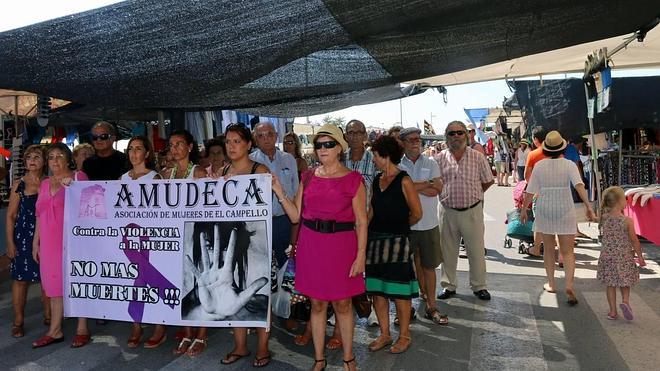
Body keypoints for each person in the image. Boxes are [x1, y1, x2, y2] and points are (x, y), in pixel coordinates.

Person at [274, 123, 367, 371]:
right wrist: (278, 190)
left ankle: (349, 358)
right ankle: (319, 359)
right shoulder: (308, 177)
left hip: (342, 246)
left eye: (328, 144)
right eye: (318, 145)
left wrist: (360, 256)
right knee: (316, 304)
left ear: (339, 148)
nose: (322, 149)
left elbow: (362, 221)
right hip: (312, 245)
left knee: (343, 304)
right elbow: (295, 216)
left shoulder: (353, 180)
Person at [520, 131, 596, 305]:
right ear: (562, 147)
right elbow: (579, 185)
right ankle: (569, 285)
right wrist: (588, 206)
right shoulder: (569, 165)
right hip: (565, 208)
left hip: (545, 207)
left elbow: (530, 190)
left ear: (546, 149)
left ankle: (552, 284)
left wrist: (524, 209)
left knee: (548, 249)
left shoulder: (539, 166)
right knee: (567, 252)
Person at [220, 124, 273, 368]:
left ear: (248, 144)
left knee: (261, 293)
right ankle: (240, 345)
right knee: (235, 289)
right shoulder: (222, 171)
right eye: (228, 142)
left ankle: (263, 347)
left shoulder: (259, 170)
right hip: (233, 243)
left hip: (259, 243)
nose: (231, 146)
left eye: (236, 141)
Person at [365, 135, 422, 354]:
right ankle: (385, 334)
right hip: (375, 243)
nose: (373, 160)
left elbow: (417, 214)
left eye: (376, 156)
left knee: (399, 292)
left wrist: (397, 227)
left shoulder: (404, 180)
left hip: (398, 244)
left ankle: (404, 336)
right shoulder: (376, 180)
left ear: (386, 156)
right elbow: (371, 212)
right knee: (377, 291)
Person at [32, 143, 89, 348]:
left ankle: (82, 327)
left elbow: (90, 209)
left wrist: (73, 188)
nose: (55, 161)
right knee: (54, 286)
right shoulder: (45, 183)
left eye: (59, 156)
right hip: (48, 241)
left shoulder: (78, 177)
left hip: (72, 241)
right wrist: (35, 242)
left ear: (67, 159)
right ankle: (55, 330)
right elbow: (39, 214)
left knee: (77, 280)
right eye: (51, 157)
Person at [435, 121, 494, 301]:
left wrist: (475, 194)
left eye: (460, 133)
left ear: (466, 136)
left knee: (476, 251)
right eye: (452, 133)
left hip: (472, 210)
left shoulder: (477, 157)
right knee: (447, 251)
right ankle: (449, 285)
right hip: (447, 211)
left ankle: (479, 286)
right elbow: (434, 183)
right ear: (446, 137)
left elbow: (488, 180)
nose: (456, 136)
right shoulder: (438, 159)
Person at [160, 130, 207, 356]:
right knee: (180, 285)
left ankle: (202, 334)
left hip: (194, 235)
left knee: (198, 283)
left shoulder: (198, 173)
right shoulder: (165, 174)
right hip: (173, 237)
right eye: (172, 145)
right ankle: (187, 331)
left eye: (180, 144)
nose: (175, 148)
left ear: (190, 147)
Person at [120, 136, 167, 348]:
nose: (134, 152)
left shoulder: (154, 178)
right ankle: (138, 322)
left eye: (138, 148)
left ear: (147, 153)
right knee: (138, 277)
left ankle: (154, 324)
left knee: (143, 276)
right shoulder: (123, 178)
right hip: (129, 234)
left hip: (148, 234)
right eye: (131, 149)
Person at [398, 128, 448, 325]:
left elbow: (437, 189)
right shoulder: (397, 165)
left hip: (428, 224)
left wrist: (410, 185)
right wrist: (426, 184)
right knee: (403, 269)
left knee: (429, 267)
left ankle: (431, 305)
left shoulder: (431, 162)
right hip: (405, 225)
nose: (415, 143)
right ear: (402, 143)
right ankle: (405, 309)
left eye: (417, 139)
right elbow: (399, 190)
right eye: (410, 140)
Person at [6, 145, 50, 338]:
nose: (32, 160)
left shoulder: (50, 183)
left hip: (47, 235)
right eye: (29, 157)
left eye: (37, 157)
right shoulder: (19, 184)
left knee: (47, 279)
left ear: (44, 161)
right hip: (23, 236)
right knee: (20, 281)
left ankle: (50, 317)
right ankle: (18, 321)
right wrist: (10, 243)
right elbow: (11, 216)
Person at [250, 122, 299, 269]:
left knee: (287, 265)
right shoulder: (249, 161)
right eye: (261, 135)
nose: (266, 139)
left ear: (276, 136)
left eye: (270, 134)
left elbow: (296, 192)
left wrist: (295, 227)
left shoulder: (289, 159)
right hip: (261, 224)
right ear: (255, 139)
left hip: (286, 221)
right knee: (265, 266)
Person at [596, 186, 645, 320]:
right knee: (625, 282)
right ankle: (625, 301)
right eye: (624, 198)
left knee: (610, 285)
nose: (626, 200)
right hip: (624, 257)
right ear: (619, 202)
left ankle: (612, 312)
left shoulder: (604, 218)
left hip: (607, 257)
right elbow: (634, 241)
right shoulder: (627, 221)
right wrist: (640, 256)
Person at [523, 127, 549, 258]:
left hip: (539, 193)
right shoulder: (557, 153)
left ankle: (536, 248)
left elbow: (527, 176)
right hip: (556, 193)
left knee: (539, 221)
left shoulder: (533, 154)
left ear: (535, 139)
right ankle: (557, 251)